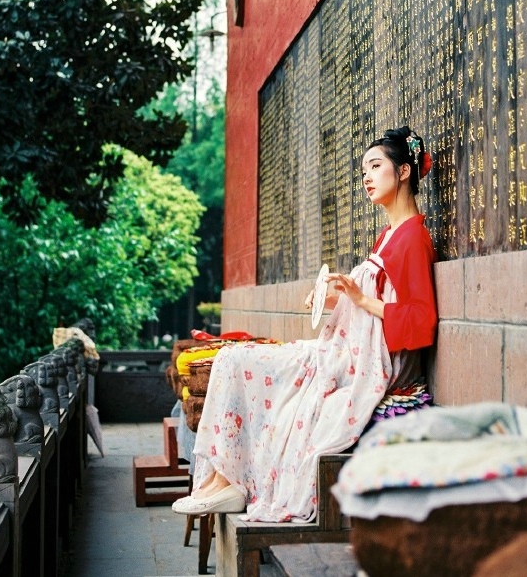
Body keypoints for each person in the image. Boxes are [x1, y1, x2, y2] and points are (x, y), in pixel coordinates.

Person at [172, 126, 438, 522]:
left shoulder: (413, 237)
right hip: (347, 352)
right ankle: (222, 480)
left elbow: (420, 321)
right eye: (362, 168)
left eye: (375, 166)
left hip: (370, 364)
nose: (365, 176)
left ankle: (232, 483)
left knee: (239, 362)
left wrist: (361, 299)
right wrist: (337, 298)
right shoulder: (387, 236)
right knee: (232, 359)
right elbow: (374, 301)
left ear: (403, 172)